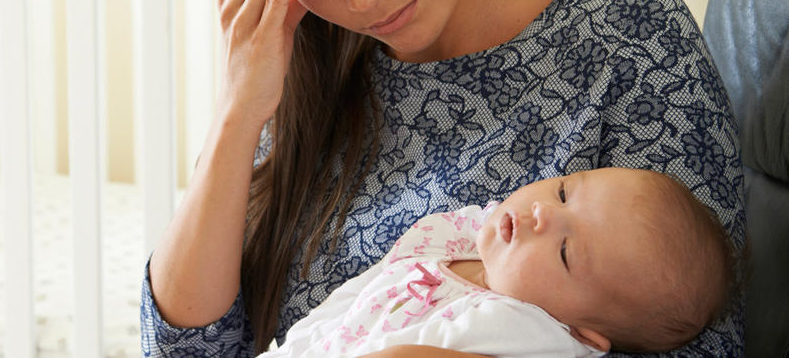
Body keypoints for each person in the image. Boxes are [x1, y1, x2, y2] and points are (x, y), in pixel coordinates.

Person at [141, 0, 745, 356]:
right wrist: (237, 111)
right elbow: (185, 350)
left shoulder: (631, 39)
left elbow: (696, 343)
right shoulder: (299, 85)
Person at [258, 167, 737, 357]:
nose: (542, 214)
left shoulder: (530, 329)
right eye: (565, 192)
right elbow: (358, 296)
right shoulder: (471, 235)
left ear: (583, 334)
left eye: (567, 252)